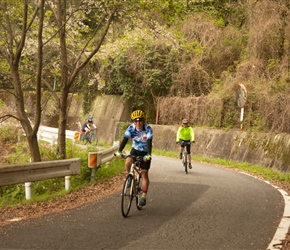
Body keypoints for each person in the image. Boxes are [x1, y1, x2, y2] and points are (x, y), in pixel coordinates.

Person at [116, 110, 153, 206]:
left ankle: (144, 195)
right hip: (135, 150)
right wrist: (119, 151)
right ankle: (129, 177)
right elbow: (124, 140)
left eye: (140, 121)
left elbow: (149, 142)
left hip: (145, 151)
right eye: (135, 121)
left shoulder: (148, 128)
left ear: (143, 120)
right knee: (128, 161)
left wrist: (148, 155)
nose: (138, 123)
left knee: (144, 173)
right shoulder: (131, 128)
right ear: (133, 121)